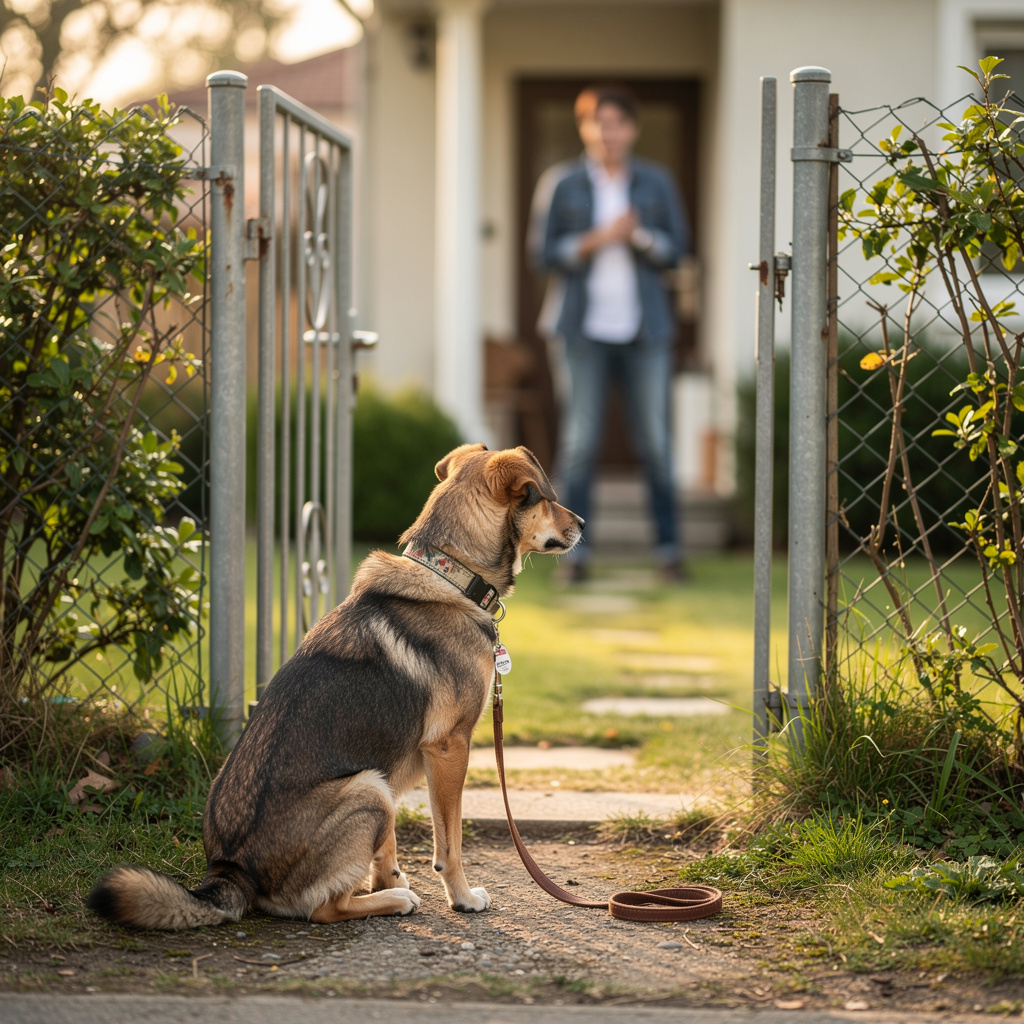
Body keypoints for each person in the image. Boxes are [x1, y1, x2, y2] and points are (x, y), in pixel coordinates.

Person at [532, 84, 691, 582]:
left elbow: (677, 249)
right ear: (584, 128)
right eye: (598, 123)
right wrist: (599, 238)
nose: (609, 133)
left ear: (632, 129)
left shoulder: (655, 182)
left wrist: (637, 235)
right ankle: (573, 554)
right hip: (581, 332)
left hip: (646, 332)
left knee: (657, 445)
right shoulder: (562, 183)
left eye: (618, 123)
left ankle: (668, 550)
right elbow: (542, 254)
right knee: (580, 444)